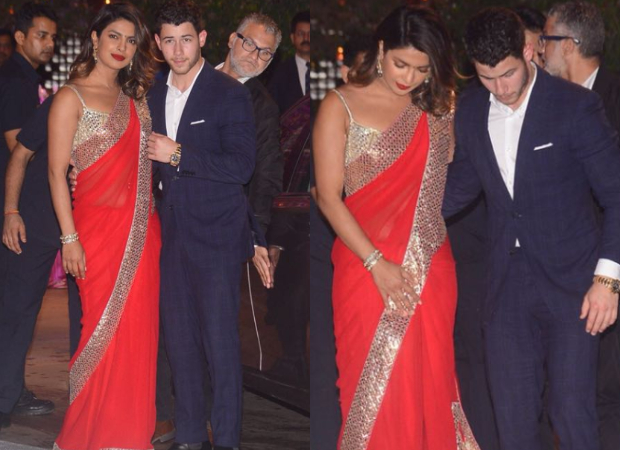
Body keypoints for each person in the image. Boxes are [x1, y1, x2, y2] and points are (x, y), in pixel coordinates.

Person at [443, 7, 620, 450]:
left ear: (528, 51)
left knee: (571, 411)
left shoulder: (574, 106)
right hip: (505, 289)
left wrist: (608, 279)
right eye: (487, 78)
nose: (499, 89)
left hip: (574, 285)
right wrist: (394, 212)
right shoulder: (469, 113)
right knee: (513, 419)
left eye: (506, 74)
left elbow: (616, 193)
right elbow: (458, 189)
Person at [314, 6, 479, 449]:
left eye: (422, 69)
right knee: (371, 392)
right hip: (363, 269)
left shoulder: (441, 107)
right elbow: (328, 197)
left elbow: (442, 181)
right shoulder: (341, 103)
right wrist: (376, 263)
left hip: (431, 268)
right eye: (401, 64)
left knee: (432, 383)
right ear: (381, 49)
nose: (409, 77)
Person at [48, 3, 160, 448]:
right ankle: (86, 434)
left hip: (143, 235)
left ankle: (127, 436)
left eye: (131, 41)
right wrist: (69, 237)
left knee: (137, 339)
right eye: (114, 36)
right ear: (95, 39)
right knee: (100, 331)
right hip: (94, 236)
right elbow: (57, 172)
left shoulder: (136, 100)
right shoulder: (69, 97)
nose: (122, 47)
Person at [146, 1, 256, 448]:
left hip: (216, 238)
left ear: (204, 39)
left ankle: (226, 439)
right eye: (169, 40)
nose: (178, 49)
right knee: (181, 345)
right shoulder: (150, 91)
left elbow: (242, 166)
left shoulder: (228, 93)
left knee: (220, 349)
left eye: (186, 39)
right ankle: (190, 436)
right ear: (157, 43)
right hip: (169, 238)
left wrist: (176, 154)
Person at [541, 3, 620, 448]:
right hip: (559, 274)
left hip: (609, 272)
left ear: (568, 46)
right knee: (568, 395)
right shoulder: (543, 104)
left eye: (545, 40)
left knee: (604, 391)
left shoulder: (613, 98)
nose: (537, 52)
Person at [0, 1, 58, 430]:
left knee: (18, 306)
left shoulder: (22, 77)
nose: (50, 43)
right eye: (42, 35)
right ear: (20, 36)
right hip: (25, 212)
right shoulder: (17, 80)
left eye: (53, 36)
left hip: (24, 209)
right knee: (18, 307)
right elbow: (18, 144)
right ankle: (6, 396)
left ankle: (11, 387)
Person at [268, 10, 309, 114]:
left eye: (310, 34)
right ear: (292, 38)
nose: (306, 38)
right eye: (301, 34)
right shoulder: (280, 72)